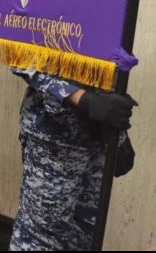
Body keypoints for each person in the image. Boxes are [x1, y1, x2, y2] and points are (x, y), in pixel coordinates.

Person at [8, 69, 137, 251]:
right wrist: (81, 97)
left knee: (85, 235)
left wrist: (120, 136)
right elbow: (21, 58)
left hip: (99, 135)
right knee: (40, 238)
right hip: (53, 139)